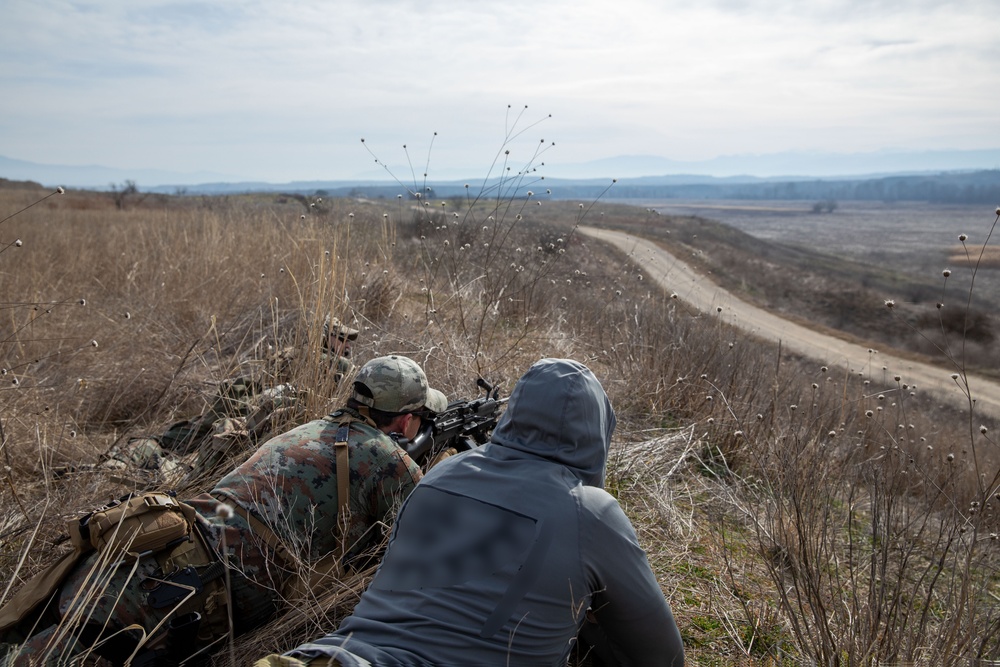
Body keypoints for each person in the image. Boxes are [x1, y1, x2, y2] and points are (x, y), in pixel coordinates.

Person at [0, 354, 447, 666]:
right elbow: (427, 551)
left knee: (58, 630)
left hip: (170, 540)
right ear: (407, 419)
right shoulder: (389, 459)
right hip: (203, 584)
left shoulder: (310, 428)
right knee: (84, 647)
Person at [258, 357, 685, 667]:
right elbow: (663, 657)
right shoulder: (591, 511)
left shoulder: (444, 476)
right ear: (597, 434)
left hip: (331, 655)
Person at [99, 316, 362, 484]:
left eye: (349, 339)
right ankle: (150, 468)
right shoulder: (334, 363)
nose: (347, 344)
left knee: (181, 439)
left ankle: (128, 457)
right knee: (188, 463)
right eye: (341, 338)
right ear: (322, 336)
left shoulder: (290, 353)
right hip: (253, 418)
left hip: (238, 409)